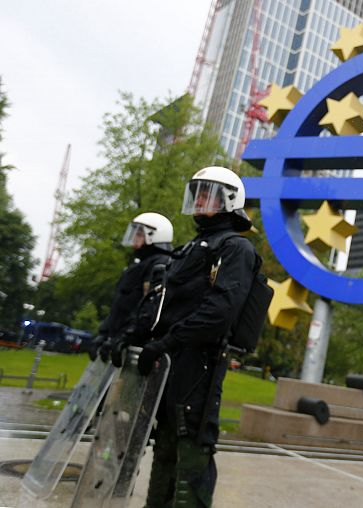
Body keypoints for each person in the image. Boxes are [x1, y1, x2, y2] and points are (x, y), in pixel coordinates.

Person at [134, 166, 261, 507]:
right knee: (164, 451)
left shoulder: (236, 249)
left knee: (191, 453)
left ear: (229, 200)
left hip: (197, 369)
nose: (200, 199)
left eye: (208, 193)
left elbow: (218, 313)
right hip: (169, 365)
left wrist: (166, 343)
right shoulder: (191, 247)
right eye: (198, 192)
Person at [87, 212, 173, 364]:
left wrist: (128, 335)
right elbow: (119, 307)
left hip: (135, 343)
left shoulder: (160, 264)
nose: (134, 237)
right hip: (118, 340)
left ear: (154, 236)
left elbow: (149, 306)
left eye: (139, 233)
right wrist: (104, 332)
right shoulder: (136, 265)